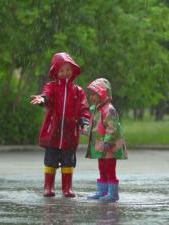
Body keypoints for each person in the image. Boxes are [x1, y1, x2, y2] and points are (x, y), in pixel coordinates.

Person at [30, 52, 90, 198]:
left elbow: (84, 108)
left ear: (73, 70)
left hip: (70, 133)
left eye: (68, 69)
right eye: (61, 70)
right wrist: (43, 99)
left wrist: (84, 121)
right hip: (53, 132)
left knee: (68, 162)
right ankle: (48, 187)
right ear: (56, 72)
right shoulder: (52, 87)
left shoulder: (78, 91)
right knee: (50, 161)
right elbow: (47, 94)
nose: (65, 73)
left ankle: (67, 188)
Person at [85, 78, 128, 202]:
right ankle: (102, 191)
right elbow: (94, 125)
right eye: (91, 94)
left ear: (103, 93)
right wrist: (85, 130)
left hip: (109, 147)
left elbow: (112, 127)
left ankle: (113, 193)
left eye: (94, 94)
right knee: (102, 167)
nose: (92, 97)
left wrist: (107, 142)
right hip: (100, 146)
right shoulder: (95, 109)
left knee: (109, 168)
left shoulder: (109, 109)